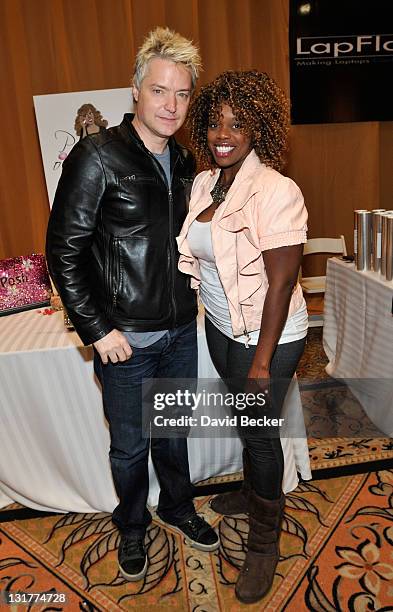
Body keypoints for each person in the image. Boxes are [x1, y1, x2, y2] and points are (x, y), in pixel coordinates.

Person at [46, 26, 219, 584]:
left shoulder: (189, 163)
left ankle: (177, 504)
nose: (171, 105)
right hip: (124, 343)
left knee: (173, 433)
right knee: (129, 446)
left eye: (182, 94)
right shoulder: (97, 156)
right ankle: (132, 524)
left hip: (177, 333)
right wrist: (97, 330)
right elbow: (63, 251)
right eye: (160, 91)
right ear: (136, 91)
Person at [177, 70, 308, 604]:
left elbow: (281, 283)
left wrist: (261, 362)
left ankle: (264, 542)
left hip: (269, 334)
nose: (222, 134)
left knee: (259, 432)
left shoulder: (277, 190)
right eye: (214, 123)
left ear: (259, 129)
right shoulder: (207, 181)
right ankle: (253, 491)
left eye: (237, 124)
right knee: (244, 420)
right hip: (221, 324)